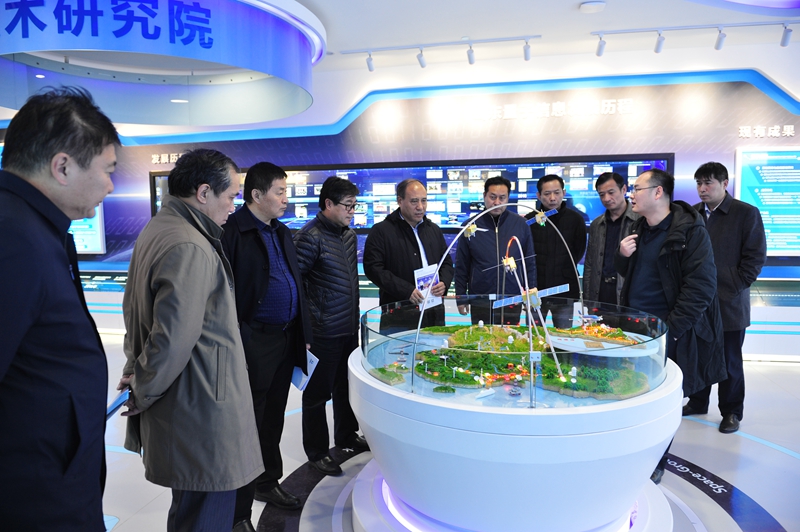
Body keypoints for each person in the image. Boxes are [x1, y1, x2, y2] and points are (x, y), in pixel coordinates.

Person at [120, 149, 263, 531]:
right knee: (204, 512)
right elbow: (173, 337)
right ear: (203, 192)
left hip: (189, 402)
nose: (233, 206)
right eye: (230, 196)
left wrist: (137, 371)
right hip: (202, 407)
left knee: (191, 509)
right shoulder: (190, 245)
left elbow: (136, 314)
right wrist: (143, 387)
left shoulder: (161, 228)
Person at [0, 87, 117, 531]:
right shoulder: (13, 238)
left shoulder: (33, 227)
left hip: (53, 476)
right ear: (62, 166)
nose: (110, 186)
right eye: (107, 170)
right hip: (32, 495)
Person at [615, 168, 726, 484]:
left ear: (658, 192)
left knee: (661, 401)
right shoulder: (638, 227)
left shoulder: (690, 231)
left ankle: (656, 461)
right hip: (635, 329)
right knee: (634, 394)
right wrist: (622, 256)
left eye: (637, 188)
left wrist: (671, 331)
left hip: (668, 333)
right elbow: (630, 274)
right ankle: (633, 455)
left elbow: (701, 288)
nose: (631, 194)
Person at [220, 162, 312, 530]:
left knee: (273, 418)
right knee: (248, 426)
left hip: (285, 337)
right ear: (256, 195)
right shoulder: (233, 232)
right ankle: (238, 513)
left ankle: (267, 482)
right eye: (280, 192)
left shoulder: (281, 231)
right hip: (253, 341)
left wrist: (303, 332)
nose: (286, 199)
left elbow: (294, 283)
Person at [682, 162, 767, 434]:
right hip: (696, 301)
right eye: (699, 183)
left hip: (729, 301)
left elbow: (755, 258)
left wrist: (734, 284)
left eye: (708, 183)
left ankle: (731, 411)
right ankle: (697, 401)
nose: (702, 189)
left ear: (724, 184)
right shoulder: (692, 214)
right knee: (698, 355)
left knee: (730, 360)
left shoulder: (746, 213)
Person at [294, 177, 368, 477]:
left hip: (347, 327)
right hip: (322, 330)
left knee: (344, 387)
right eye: (347, 206)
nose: (352, 211)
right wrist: (305, 329)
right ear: (328, 204)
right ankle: (317, 452)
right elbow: (296, 286)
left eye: (354, 205)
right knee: (316, 395)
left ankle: (346, 434)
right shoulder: (309, 237)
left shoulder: (348, 236)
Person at [363, 178, 454, 332]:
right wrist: (406, 290)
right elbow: (373, 269)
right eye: (414, 201)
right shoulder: (381, 231)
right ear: (400, 201)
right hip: (399, 316)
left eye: (424, 200)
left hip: (433, 313)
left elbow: (446, 263)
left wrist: (444, 282)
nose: (420, 207)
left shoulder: (433, 229)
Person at [456, 176, 536, 325]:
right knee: (481, 337)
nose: (497, 202)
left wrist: (531, 292)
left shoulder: (521, 224)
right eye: (492, 197)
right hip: (480, 298)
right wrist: (461, 297)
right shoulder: (469, 226)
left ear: (508, 198)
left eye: (502, 198)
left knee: (511, 337)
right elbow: (462, 264)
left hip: (512, 297)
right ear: (484, 196)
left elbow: (529, 261)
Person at [525, 174, 587, 328]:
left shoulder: (576, 219)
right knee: (533, 336)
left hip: (565, 292)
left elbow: (578, 251)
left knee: (564, 337)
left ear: (563, 193)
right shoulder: (529, 220)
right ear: (539, 195)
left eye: (557, 193)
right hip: (536, 291)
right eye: (547, 193)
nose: (552, 198)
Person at [583, 172, 639, 306]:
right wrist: (587, 300)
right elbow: (590, 263)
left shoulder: (639, 220)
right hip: (600, 290)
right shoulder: (596, 224)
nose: (606, 198)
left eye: (611, 192)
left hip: (628, 291)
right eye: (602, 194)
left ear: (624, 189)